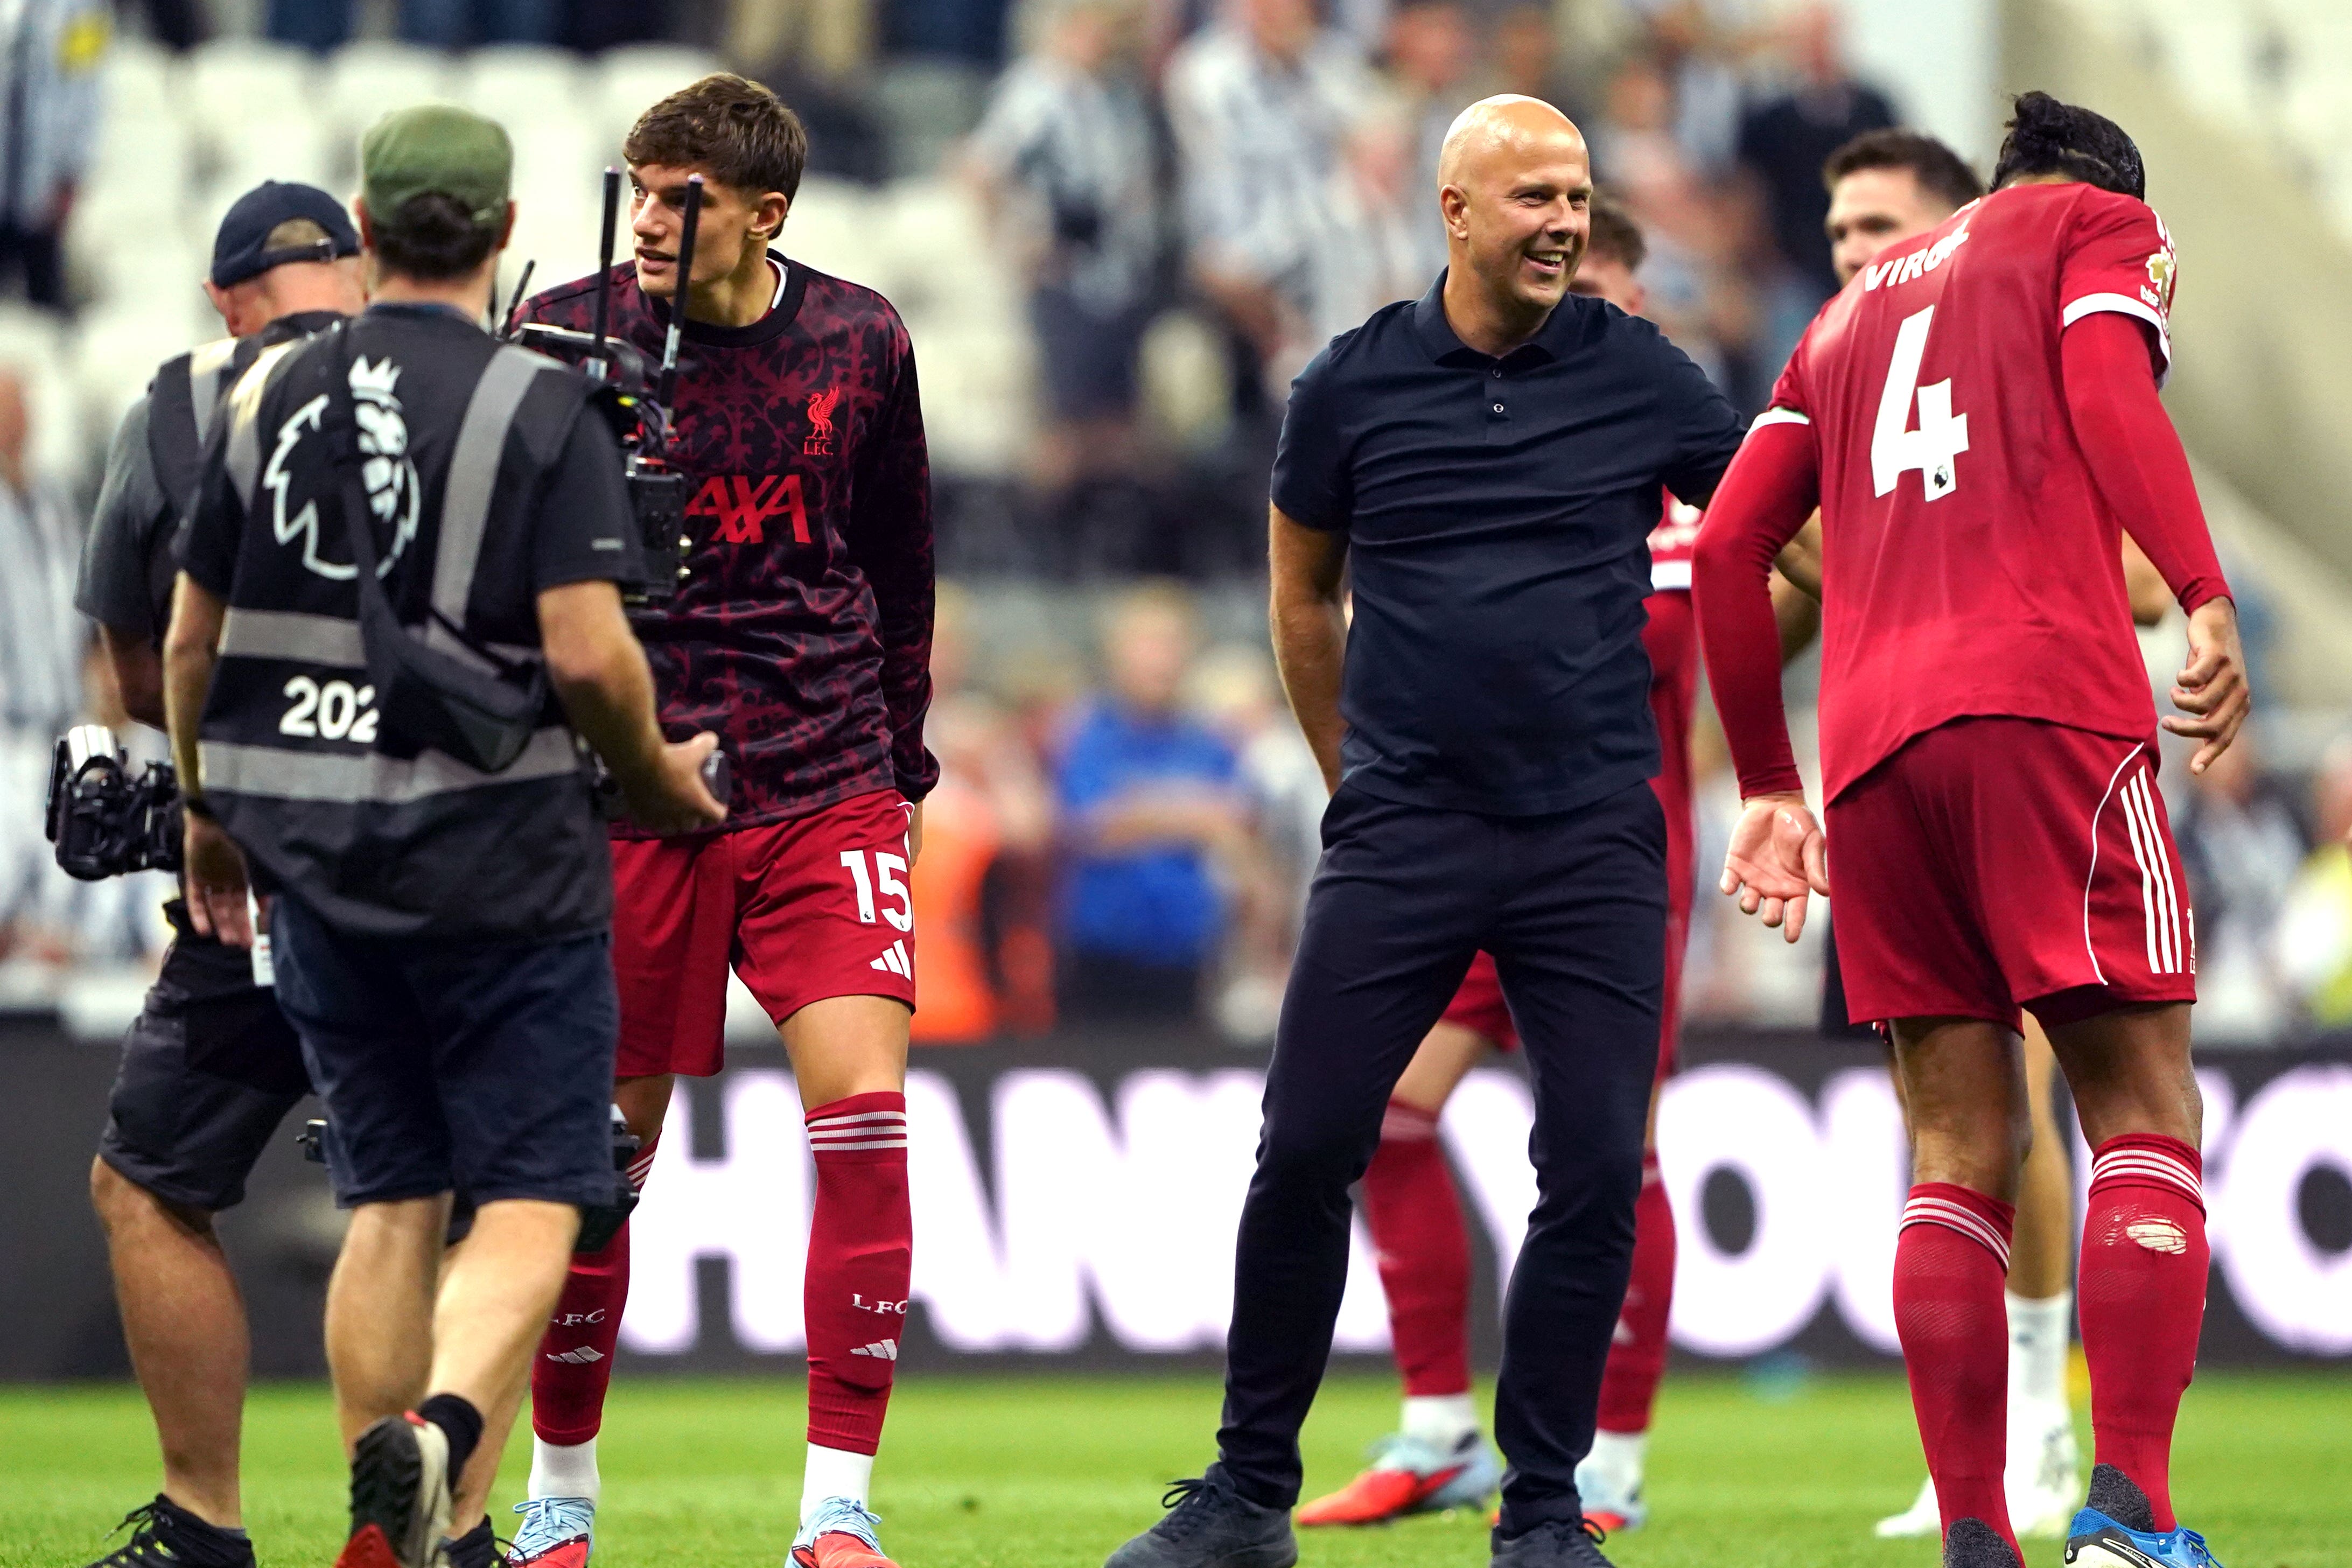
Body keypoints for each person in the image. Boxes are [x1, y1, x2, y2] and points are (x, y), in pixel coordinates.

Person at [1104, 96, 1747, 1568]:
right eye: (1535, 197)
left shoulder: (1645, 375)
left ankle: (1544, 1509)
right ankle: (1248, 1496)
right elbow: (1299, 599)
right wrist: (1359, 778)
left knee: (1595, 1167)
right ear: (1453, 211)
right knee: (1306, 1144)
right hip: (1408, 830)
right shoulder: (1350, 384)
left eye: (1578, 196)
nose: (1565, 223)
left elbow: (1781, 534)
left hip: (1595, 836)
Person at [164, 105, 726, 1568]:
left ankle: (391, 1524)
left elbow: (191, 642)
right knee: (539, 1195)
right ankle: (439, 1437)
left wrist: (210, 815)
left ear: (365, 229)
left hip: (315, 864)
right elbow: (591, 655)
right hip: (505, 864)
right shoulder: (542, 406)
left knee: (389, 1197)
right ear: (504, 232)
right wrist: (658, 777)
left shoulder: (265, 393)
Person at [1694, 93, 2249, 1568]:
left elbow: (1733, 545)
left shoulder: (1840, 320)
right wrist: (2206, 594)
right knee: (2143, 1108)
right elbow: (2112, 391)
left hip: (1875, 753)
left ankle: (1973, 1533)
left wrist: (1768, 784)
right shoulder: (2094, 223)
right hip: (2046, 711)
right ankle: (2128, 1518)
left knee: (1953, 1150)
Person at [1293, 195, 1814, 1536]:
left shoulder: (1691, 497)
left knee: (1609, 1156)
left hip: (1611, 866)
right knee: (1382, 1115)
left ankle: (1608, 1465)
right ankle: (1437, 1430)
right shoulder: (1500, 465)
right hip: (1455, 844)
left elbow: (1797, 583)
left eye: (1609, 307)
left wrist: (1741, 736)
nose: (1585, 330)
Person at [507, 73, 938, 1568]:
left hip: (824, 776)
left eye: (682, 199)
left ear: (767, 214)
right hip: (631, 791)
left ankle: (837, 1513)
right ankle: (560, 1499)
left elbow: (899, 564)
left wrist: (904, 770)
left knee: (866, 1125)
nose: (648, 220)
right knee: (598, 1167)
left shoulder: (863, 340)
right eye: (638, 189)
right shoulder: (559, 337)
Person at [68, 179, 366, 1568]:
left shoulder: (181, 407)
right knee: (440, 1202)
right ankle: (448, 1532)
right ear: (357, 271)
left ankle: (202, 1523)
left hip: (254, 867)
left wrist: (204, 788)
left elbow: (141, 667)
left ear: (225, 297)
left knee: (150, 1181)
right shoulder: (476, 390)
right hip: (458, 878)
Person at [1053, 580, 1252, 1024]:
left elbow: (1236, 825)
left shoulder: (1210, 741)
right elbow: (1094, 828)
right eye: (1148, 644)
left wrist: (1141, 807)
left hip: (1187, 956)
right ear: (1117, 652)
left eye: (1172, 644)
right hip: (1101, 957)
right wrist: (1194, 814)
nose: (1161, 658)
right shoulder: (1087, 733)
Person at [0, 0, 102, 311]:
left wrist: (72, 169)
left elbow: (88, 84)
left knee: (42, 291)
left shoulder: (83, 8)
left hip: (44, 172)